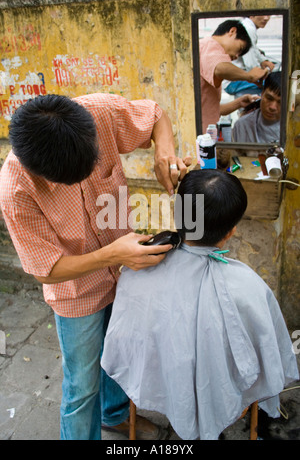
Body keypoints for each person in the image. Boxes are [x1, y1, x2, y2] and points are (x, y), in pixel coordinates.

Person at [0, 92, 191, 440]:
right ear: (41, 172)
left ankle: (115, 415)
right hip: (76, 294)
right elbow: (45, 269)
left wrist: (165, 154)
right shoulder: (15, 189)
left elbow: (155, 115)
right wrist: (112, 255)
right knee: (82, 386)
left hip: (125, 274)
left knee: (120, 355)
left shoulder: (98, 113)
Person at [101, 169, 299, 440]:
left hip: (155, 382)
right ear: (231, 232)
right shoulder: (249, 287)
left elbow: (125, 341)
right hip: (222, 392)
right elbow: (269, 353)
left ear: (178, 216)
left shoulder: (135, 271)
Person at [199, 19, 269, 133]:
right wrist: (249, 76)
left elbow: (213, 110)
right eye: (240, 49)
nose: (236, 57)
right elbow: (220, 68)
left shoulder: (211, 52)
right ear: (232, 31)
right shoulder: (210, 45)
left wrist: (239, 103)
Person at [223, 16, 275, 98]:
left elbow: (254, 49)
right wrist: (263, 73)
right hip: (233, 82)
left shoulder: (247, 25)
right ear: (251, 15)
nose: (266, 18)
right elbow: (251, 64)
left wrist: (263, 60)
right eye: (263, 14)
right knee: (275, 86)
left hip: (235, 79)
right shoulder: (249, 29)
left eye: (269, 15)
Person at [232, 71, 281, 143]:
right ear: (262, 93)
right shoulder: (242, 126)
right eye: (269, 98)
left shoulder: (294, 130)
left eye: (280, 102)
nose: (272, 107)